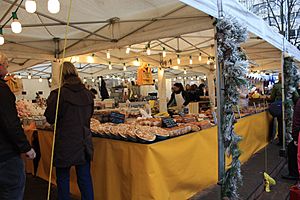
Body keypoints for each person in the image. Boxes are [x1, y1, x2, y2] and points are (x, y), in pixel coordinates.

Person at [44, 62, 94, 200]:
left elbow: (50, 118)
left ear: (61, 75)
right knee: (85, 179)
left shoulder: (58, 94)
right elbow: (89, 115)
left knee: (63, 179)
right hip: (84, 141)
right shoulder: (88, 94)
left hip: (65, 142)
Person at [0, 52, 36, 200]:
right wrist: (26, 147)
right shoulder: (2, 90)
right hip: (5, 156)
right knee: (12, 192)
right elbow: (11, 123)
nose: (7, 71)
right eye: (5, 66)